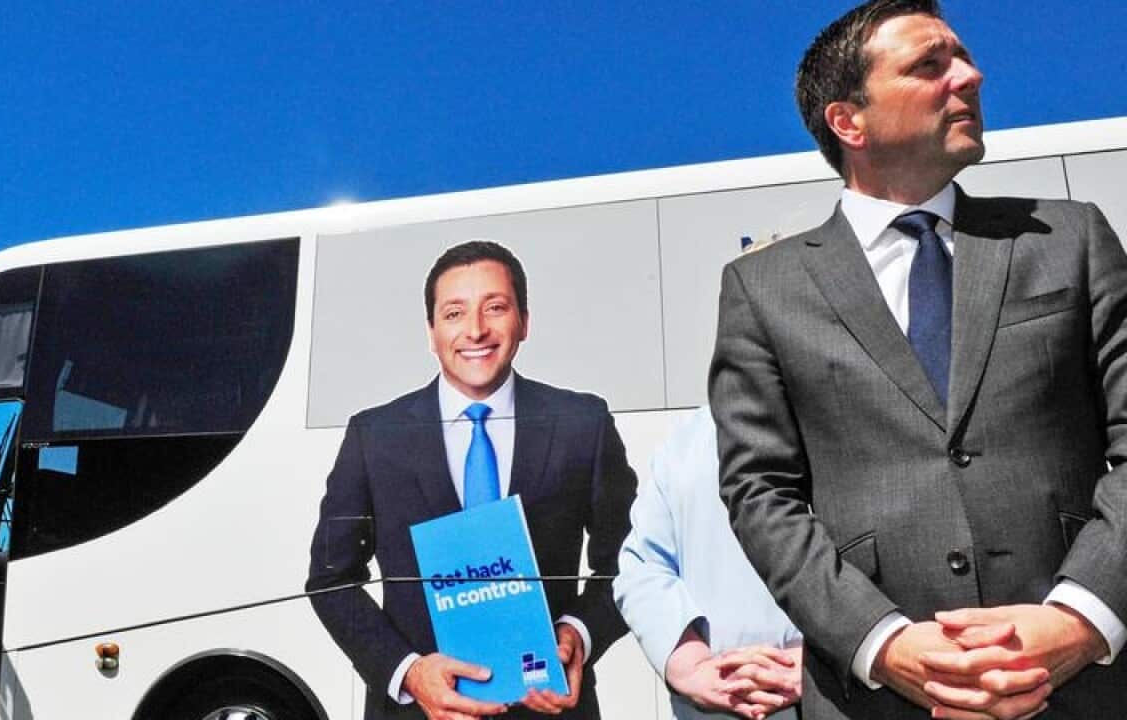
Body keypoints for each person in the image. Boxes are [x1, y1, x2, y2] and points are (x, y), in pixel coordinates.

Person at [708, 1, 1127, 718]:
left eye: (962, 57)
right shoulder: (763, 289)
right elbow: (761, 493)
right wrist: (882, 642)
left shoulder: (1069, 238)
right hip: (873, 697)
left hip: (1084, 688)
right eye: (931, 64)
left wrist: (1083, 617)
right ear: (849, 122)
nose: (971, 75)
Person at [306, 240, 636, 720]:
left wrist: (579, 635)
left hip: (549, 706)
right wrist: (407, 672)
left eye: (495, 308)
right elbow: (331, 579)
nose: (476, 330)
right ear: (432, 330)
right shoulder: (374, 436)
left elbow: (631, 562)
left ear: (524, 321)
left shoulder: (582, 424)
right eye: (455, 313)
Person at [615, 405, 803, 720]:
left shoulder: (847, 424)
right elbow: (641, 566)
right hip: (711, 705)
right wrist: (690, 664)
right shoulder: (686, 440)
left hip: (836, 695)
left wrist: (824, 662)